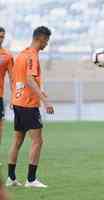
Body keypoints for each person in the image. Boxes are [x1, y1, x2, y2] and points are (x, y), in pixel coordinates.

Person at [6, 26, 54, 188]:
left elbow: (15, 79)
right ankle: (31, 180)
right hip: (28, 104)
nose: (46, 44)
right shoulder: (32, 56)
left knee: (17, 140)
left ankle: (11, 178)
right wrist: (45, 100)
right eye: (46, 41)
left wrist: (14, 98)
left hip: (18, 103)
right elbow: (29, 79)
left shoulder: (21, 54)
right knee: (37, 141)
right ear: (40, 39)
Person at [0, 27, 14, 144]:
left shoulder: (7, 56)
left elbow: (12, 78)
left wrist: (14, 97)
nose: (1, 39)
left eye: (2, 37)